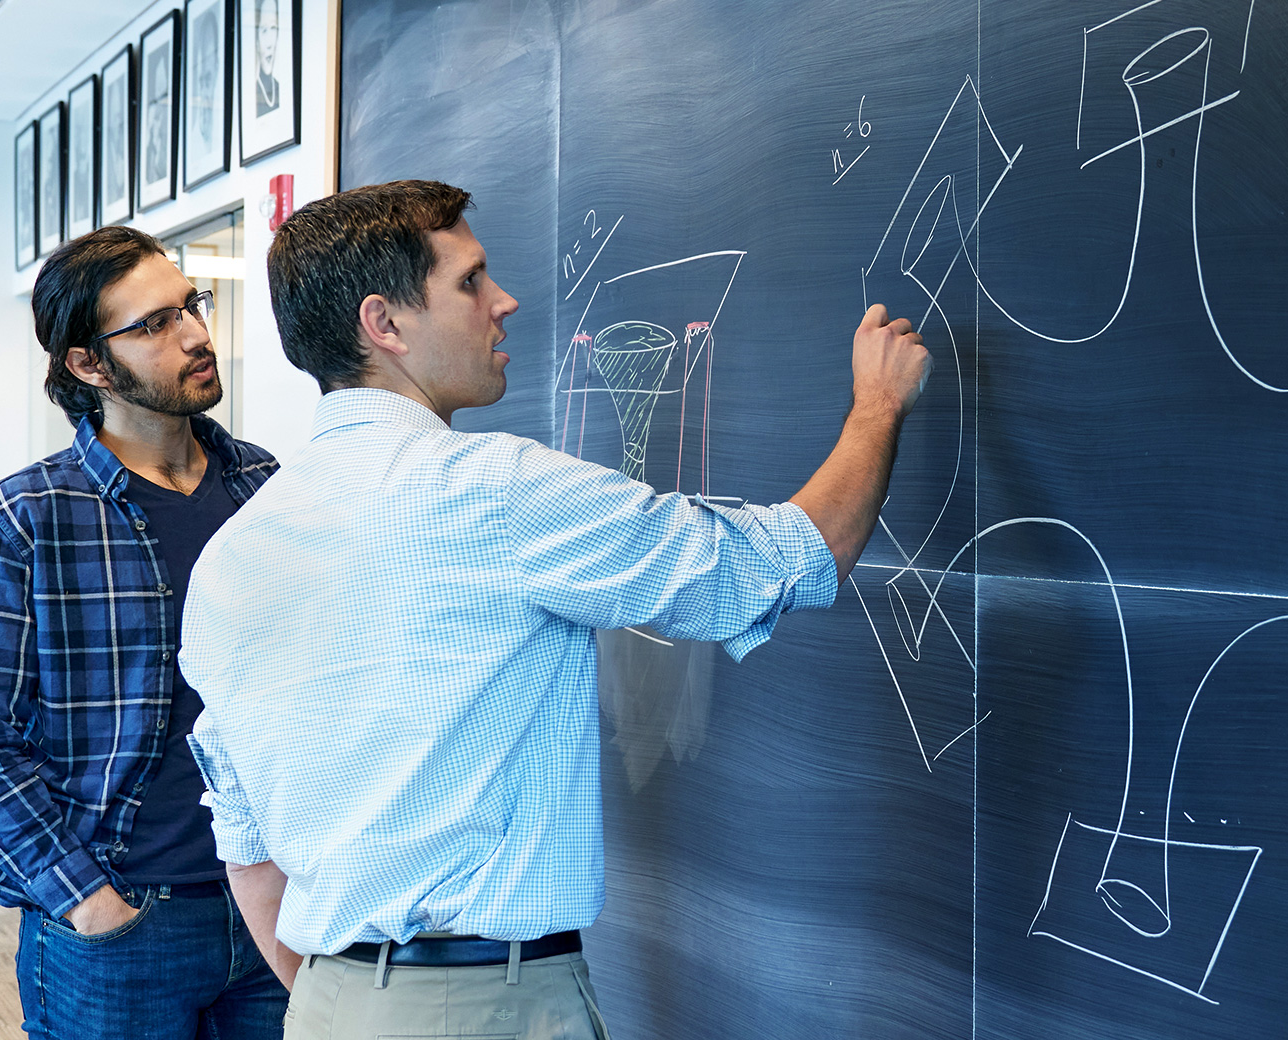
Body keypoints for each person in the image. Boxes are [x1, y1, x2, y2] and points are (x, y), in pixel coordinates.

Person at [180, 179, 929, 1039]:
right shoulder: (490, 491)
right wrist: (877, 408)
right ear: (384, 324)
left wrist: (358, 998)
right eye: (469, 281)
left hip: (324, 1006)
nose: (505, 302)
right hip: (483, 1008)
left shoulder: (231, 557)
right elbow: (776, 564)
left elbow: (248, 854)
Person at [0, 226, 287, 1039]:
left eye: (190, 306)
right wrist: (88, 902)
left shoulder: (266, 488)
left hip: (270, 902)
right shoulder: (23, 518)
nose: (197, 333)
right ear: (88, 365)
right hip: (123, 923)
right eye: (154, 324)